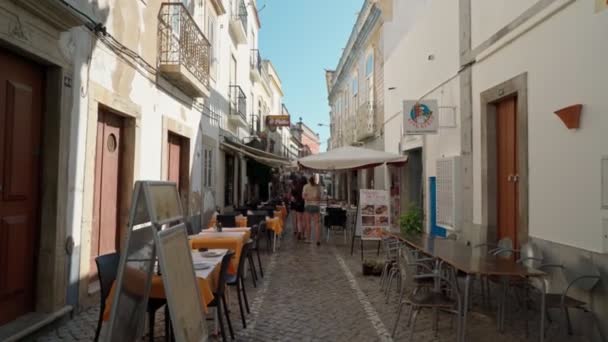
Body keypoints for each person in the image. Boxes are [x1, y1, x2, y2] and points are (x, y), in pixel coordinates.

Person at [302, 175, 322, 246]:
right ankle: (318, 240)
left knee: (308, 223)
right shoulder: (318, 187)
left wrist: (309, 198)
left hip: (308, 206)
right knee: (317, 224)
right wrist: (314, 198)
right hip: (316, 206)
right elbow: (319, 198)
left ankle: (308, 239)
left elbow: (304, 197)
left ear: (309, 180)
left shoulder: (305, 186)